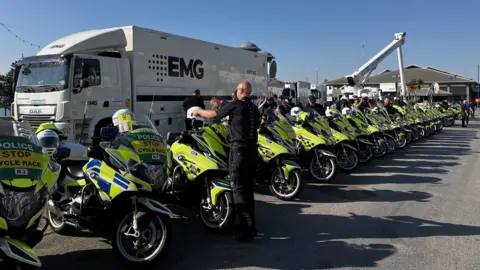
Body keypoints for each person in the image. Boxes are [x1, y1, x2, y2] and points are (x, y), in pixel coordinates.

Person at [191, 81, 261, 241]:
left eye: (236, 89)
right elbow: (250, 121)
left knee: (238, 189)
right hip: (252, 151)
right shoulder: (253, 108)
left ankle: (244, 230)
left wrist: (199, 111)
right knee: (248, 191)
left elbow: (214, 115)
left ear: (242, 90)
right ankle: (250, 226)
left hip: (239, 151)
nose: (234, 92)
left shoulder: (236, 105)